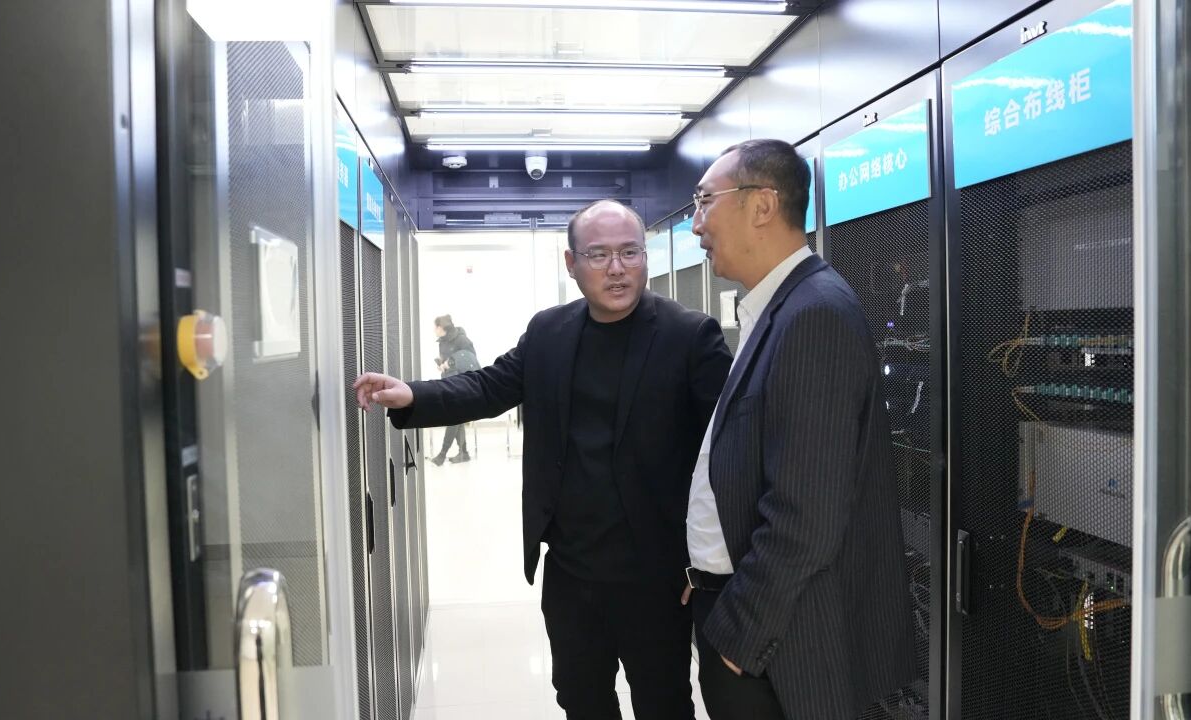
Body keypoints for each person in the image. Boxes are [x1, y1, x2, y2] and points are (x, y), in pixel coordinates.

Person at [354, 200, 733, 720]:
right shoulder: (550, 331)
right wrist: (413, 395)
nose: (617, 268)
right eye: (598, 254)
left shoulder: (690, 336)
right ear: (571, 263)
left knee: (663, 702)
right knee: (579, 697)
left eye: (630, 253)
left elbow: (729, 452)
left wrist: (711, 561)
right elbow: (489, 386)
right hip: (572, 571)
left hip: (657, 574)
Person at [681, 139, 915, 720]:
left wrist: (738, 634)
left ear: (762, 205)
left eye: (705, 202)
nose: (696, 224)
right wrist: (705, 570)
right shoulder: (780, 307)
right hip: (737, 604)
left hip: (776, 643)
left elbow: (805, 515)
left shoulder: (813, 315)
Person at [430, 314, 477, 466]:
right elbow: (447, 361)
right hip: (449, 382)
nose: (434, 330)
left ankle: (442, 455)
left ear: (441, 327)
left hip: (461, 384)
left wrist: (450, 363)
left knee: (454, 417)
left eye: (435, 327)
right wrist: (442, 364)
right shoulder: (442, 342)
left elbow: (470, 358)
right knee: (458, 419)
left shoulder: (461, 339)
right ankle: (464, 453)